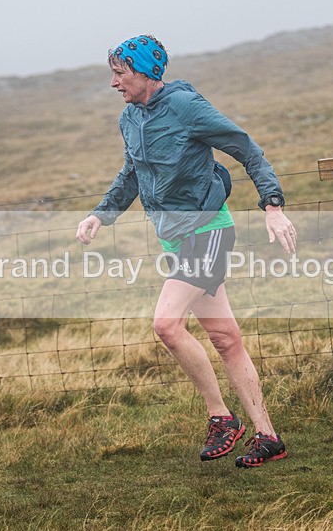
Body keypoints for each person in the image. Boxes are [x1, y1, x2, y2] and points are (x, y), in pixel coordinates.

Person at [76, 35, 297, 468]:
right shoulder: (130, 119)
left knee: (166, 324)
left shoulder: (186, 107)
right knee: (225, 338)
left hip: (208, 230)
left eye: (119, 74)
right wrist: (101, 215)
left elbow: (246, 148)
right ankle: (269, 437)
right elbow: (132, 174)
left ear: (144, 72)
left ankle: (221, 417)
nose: (113, 84)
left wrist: (273, 206)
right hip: (175, 238)